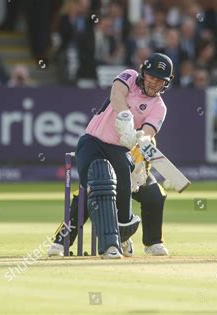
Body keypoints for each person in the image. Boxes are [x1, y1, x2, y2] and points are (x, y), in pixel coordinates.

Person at [70, 52, 173, 259]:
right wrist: (125, 117)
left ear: (166, 83)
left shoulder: (159, 107)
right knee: (100, 187)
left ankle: (151, 242)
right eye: (151, 77)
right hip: (95, 143)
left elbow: (148, 133)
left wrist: (138, 149)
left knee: (154, 193)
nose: (154, 83)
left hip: (125, 153)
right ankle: (71, 240)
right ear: (144, 73)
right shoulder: (129, 77)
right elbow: (116, 94)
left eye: (159, 80)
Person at [48, 142, 169, 257]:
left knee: (155, 194)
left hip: (136, 175)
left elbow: (146, 163)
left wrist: (137, 178)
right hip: (108, 173)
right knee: (83, 197)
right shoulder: (109, 130)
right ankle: (61, 242)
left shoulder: (146, 133)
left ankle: (153, 242)